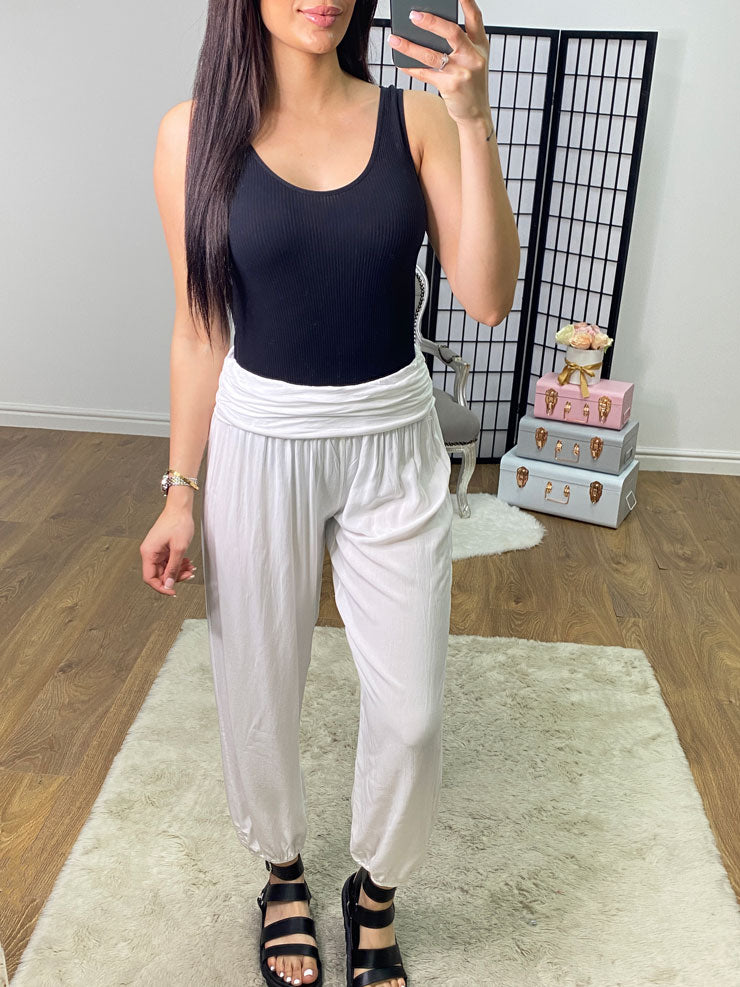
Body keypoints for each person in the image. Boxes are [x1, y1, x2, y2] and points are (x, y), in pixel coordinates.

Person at [140, 0, 519, 983]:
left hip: (393, 435)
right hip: (260, 435)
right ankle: (281, 876)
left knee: (413, 712)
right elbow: (197, 330)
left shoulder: (416, 118)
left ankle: (374, 891)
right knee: (257, 687)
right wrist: (180, 491)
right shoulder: (192, 136)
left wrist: (473, 114)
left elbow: (486, 298)